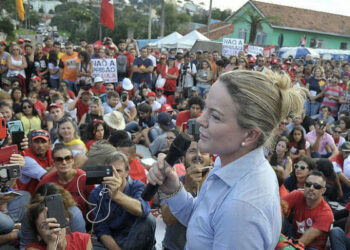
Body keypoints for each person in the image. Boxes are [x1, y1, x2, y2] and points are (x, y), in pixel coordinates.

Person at [148, 70, 305, 249]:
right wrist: (174, 189)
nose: (200, 120)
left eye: (215, 116)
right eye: (206, 108)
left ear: (251, 134)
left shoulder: (242, 208)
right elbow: (202, 222)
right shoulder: (228, 164)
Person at [90, 152, 156, 250]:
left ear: (127, 172)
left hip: (135, 237)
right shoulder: (97, 193)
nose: (114, 175)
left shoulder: (137, 186)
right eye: (110, 171)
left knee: (149, 220)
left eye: (118, 171)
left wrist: (116, 195)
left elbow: (142, 210)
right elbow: (102, 230)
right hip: (113, 240)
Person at [20, 182, 87, 250]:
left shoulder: (73, 212)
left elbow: (80, 243)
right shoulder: (29, 213)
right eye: (44, 225)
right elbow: (25, 245)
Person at [37, 143, 94, 219]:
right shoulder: (47, 181)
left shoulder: (84, 177)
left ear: (73, 160)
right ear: (54, 163)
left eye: (68, 158)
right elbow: (36, 204)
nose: (64, 162)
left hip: (84, 223)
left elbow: (94, 206)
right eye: (59, 159)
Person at [282, 171, 333, 250]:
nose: (311, 188)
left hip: (311, 247)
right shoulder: (297, 194)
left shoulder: (326, 213)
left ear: (323, 190)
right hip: (293, 236)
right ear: (304, 186)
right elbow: (276, 209)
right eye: (308, 185)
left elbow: (302, 242)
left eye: (316, 186)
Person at [17, 130, 52, 195]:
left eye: (43, 142)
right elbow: (47, 177)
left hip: (46, 194)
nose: (40, 145)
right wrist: (56, 168)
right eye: (36, 142)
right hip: (28, 198)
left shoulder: (51, 153)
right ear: (30, 143)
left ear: (49, 143)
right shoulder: (25, 157)